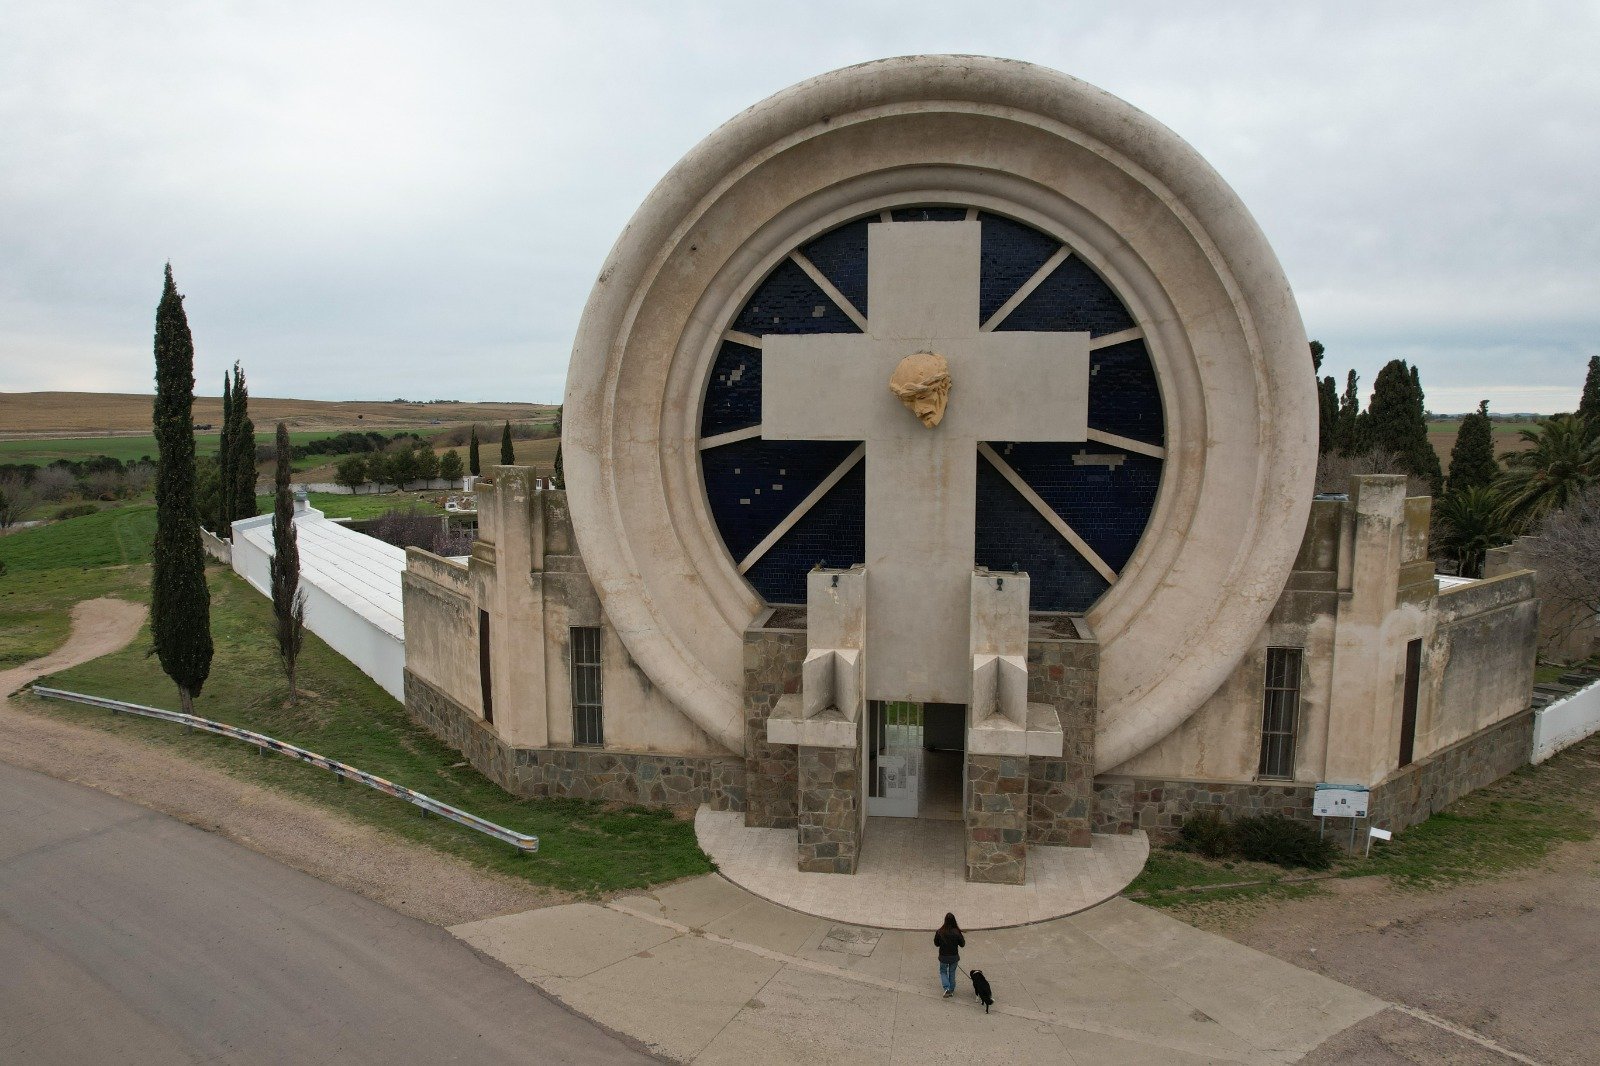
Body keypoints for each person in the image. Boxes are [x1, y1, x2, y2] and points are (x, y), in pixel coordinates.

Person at [933, 912, 965, 998]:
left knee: (943, 972)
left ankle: (946, 988)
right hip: (954, 957)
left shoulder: (940, 931)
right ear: (954, 921)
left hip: (943, 957)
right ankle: (951, 990)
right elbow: (962, 944)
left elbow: (936, 943)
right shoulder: (957, 932)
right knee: (952, 972)